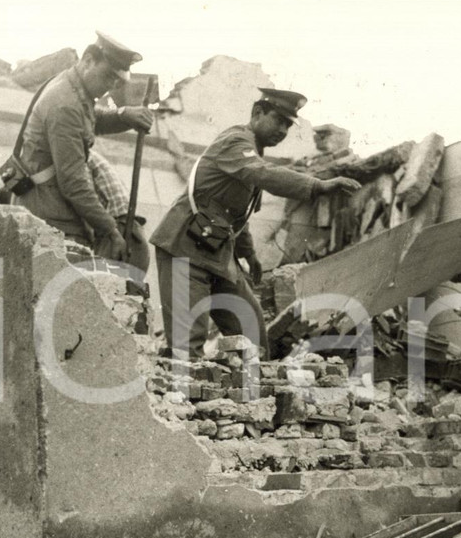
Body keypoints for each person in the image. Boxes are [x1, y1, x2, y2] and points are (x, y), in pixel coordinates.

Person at [149, 88, 361, 359]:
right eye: (278, 120)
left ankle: (251, 386)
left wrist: (249, 254)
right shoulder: (236, 141)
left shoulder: (251, 152)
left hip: (216, 251)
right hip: (184, 248)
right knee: (186, 349)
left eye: (288, 125)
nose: (282, 130)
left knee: (251, 330)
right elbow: (262, 173)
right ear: (257, 113)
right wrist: (318, 185)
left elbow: (236, 215)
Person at [15, 31, 154, 268]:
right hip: (51, 220)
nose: (110, 86)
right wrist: (112, 231)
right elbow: (73, 183)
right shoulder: (65, 103)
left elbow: (89, 119)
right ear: (89, 60)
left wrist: (123, 116)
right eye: (108, 77)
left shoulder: (73, 87)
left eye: (117, 82)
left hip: (50, 209)